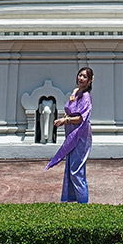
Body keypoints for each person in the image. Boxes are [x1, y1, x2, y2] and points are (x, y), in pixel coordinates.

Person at [44, 67, 93, 203]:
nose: (81, 78)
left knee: (76, 169)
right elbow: (71, 108)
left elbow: (82, 118)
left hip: (81, 134)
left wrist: (65, 120)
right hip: (71, 132)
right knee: (70, 167)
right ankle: (72, 199)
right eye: (80, 75)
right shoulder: (77, 92)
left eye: (84, 77)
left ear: (89, 81)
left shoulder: (86, 97)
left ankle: (83, 202)